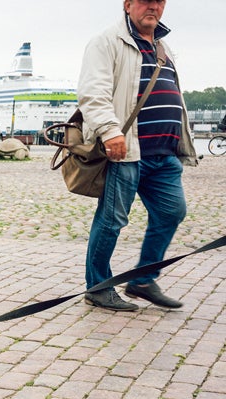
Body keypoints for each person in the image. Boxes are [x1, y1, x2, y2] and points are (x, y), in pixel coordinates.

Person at [79, 0, 196, 311]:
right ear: (128, 4)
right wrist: (109, 130)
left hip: (164, 154)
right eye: (146, 0)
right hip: (127, 149)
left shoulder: (163, 46)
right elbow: (93, 93)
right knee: (112, 220)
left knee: (172, 212)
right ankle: (98, 287)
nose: (153, 6)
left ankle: (143, 279)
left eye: (160, 1)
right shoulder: (106, 42)